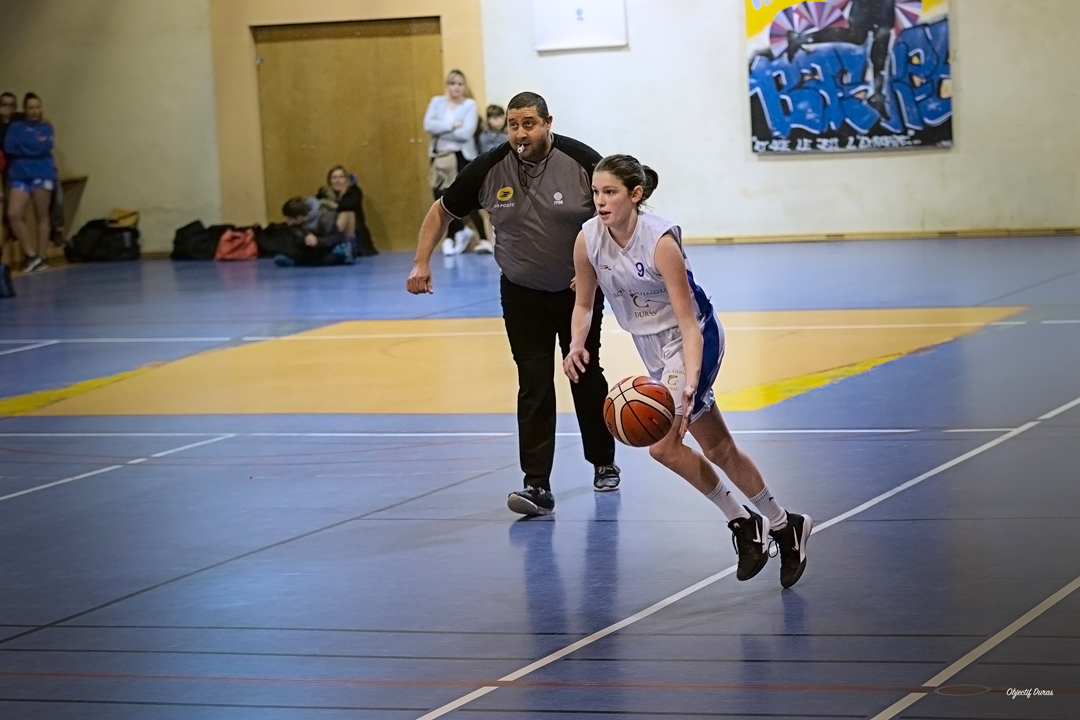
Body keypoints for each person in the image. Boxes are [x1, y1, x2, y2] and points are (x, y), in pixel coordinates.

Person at [563, 155, 812, 588]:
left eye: (610, 192)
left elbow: (687, 321)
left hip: (694, 336)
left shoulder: (660, 241)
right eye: (596, 192)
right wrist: (576, 344)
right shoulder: (588, 240)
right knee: (718, 448)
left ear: (635, 194)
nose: (600, 201)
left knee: (663, 446)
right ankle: (782, 524)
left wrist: (691, 382)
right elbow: (584, 304)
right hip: (651, 346)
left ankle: (742, 521)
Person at [407, 91, 620, 516]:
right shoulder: (488, 167)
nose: (520, 133)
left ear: (548, 123)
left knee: (584, 373)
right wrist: (421, 261)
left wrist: (598, 268)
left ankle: (603, 461)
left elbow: (615, 215)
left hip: (577, 292)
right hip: (522, 292)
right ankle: (536, 485)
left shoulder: (582, 162)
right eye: (513, 125)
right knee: (533, 382)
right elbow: (442, 210)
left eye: (529, 124)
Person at [423, 70, 492, 255]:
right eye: (453, 84)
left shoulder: (469, 105)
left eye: (460, 84)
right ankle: (457, 231)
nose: (456, 88)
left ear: (465, 87)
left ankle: (481, 238)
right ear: (447, 85)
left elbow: (466, 133)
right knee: (440, 195)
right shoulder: (437, 102)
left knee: (464, 197)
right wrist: (452, 125)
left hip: (462, 156)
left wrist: (440, 129)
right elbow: (428, 125)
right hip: (440, 156)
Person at [4, 93, 56, 272]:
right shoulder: (15, 127)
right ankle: (31, 254)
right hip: (20, 175)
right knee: (14, 213)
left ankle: (42, 256)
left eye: (37, 107)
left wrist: (23, 147)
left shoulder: (47, 127)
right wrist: (31, 147)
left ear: (41, 109)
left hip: (42, 173)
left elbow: (43, 147)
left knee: (42, 214)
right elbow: (9, 147)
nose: (34, 111)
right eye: (30, 108)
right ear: (25, 110)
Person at [274, 196, 353, 267]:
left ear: (299, 217)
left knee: (336, 249)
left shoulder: (326, 217)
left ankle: (341, 254)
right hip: (309, 249)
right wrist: (303, 239)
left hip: (324, 246)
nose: (288, 222)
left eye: (290, 218)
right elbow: (294, 241)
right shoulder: (295, 225)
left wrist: (318, 241)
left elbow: (337, 237)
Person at [317, 165, 377, 257]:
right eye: (334, 178)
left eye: (341, 177)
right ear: (329, 181)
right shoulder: (323, 193)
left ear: (346, 180)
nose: (338, 181)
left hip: (354, 233)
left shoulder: (354, 191)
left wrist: (328, 204)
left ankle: (343, 246)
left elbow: (346, 205)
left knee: (347, 213)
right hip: (329, 228)